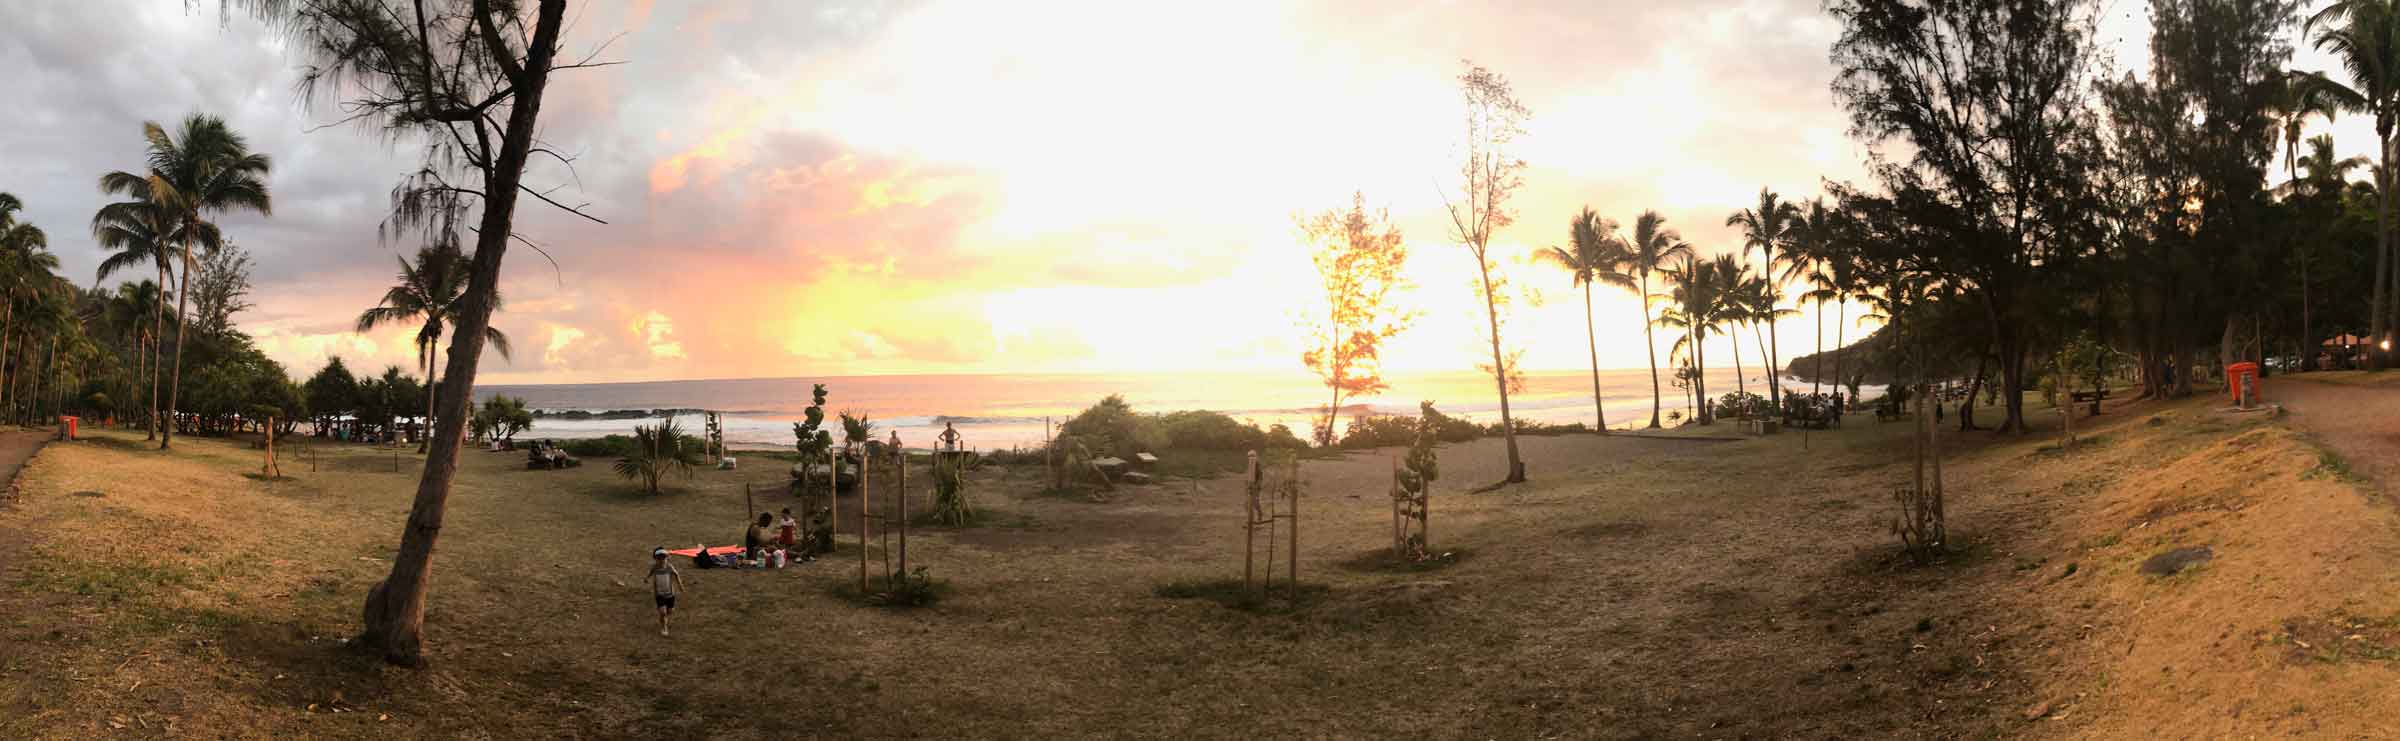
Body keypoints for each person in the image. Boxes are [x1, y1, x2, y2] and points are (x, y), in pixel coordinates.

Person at [645, 547, 687, 636]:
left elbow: (676, 574)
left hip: (670, 593)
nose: (661, 560)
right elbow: (650, 573)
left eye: (664, 558)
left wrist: (680, 585)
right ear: (655, 559)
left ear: (667, 558)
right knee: (663, 612)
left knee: (670, 611)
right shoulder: (655, 567)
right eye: (659, 558)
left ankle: (663, 618)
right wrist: (647, 578)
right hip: (659, 593)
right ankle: (664, 628)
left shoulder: (669, 567)